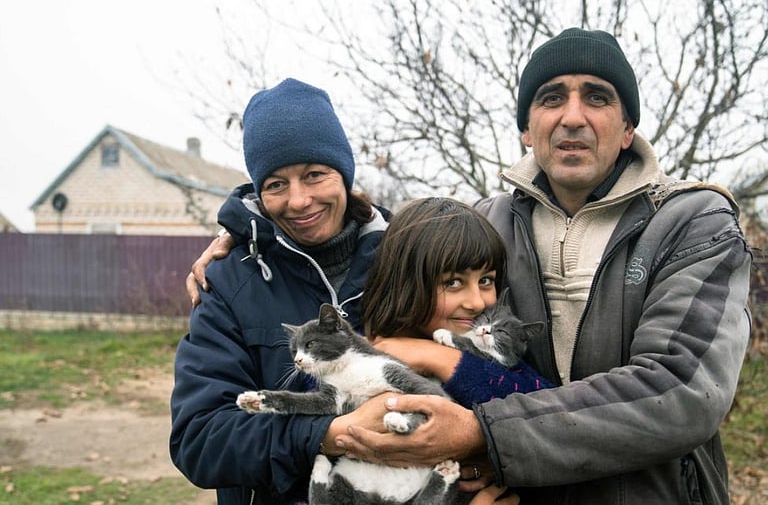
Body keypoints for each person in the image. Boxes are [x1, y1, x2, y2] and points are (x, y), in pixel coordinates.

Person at [187, 28, 752, 504]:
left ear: (628, 127)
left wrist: (479, 432)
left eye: (598, 98)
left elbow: (680, 389)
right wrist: (238, 241)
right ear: (526, 130)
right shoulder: (490, 223)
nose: (573, 117)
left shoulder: (690, 221)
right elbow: (200, 434)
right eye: (552, 98)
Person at [169, 79, 517, 505]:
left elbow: (492, 378)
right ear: (259, 192)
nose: (298, 200)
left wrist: (480, 454)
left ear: (344, 174)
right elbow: (200, 440)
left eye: (314, 175)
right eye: (276, 184)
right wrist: (331, 434)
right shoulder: (227, 283)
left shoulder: (410, 256)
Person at [360, 196, 553, 407]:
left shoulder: (487, 353)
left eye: (486, 280)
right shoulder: (352, 350)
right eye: (453, 282)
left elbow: (547, 407)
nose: (477, 303)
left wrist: (439, 358)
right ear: (405, 284)